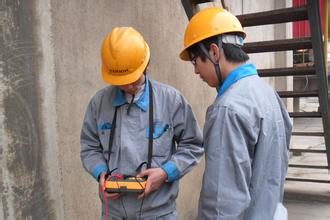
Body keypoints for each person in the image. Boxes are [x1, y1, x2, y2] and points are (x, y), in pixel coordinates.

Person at [179, 7, 292, 219]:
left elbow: (222, 203)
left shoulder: (227, 109)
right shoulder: (267, 93)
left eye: (195, 61)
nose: (195, 70)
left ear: (214, 52)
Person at [80, 27, 203, 219]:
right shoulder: (99, 103)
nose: (127, 86)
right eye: (120, 81)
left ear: (146, 65)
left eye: (131, 79)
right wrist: (101, 174)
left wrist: (164, 173)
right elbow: (89, 146)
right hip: (112, 212)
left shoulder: (171, 100)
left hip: (159, 213)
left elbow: (193, 145)